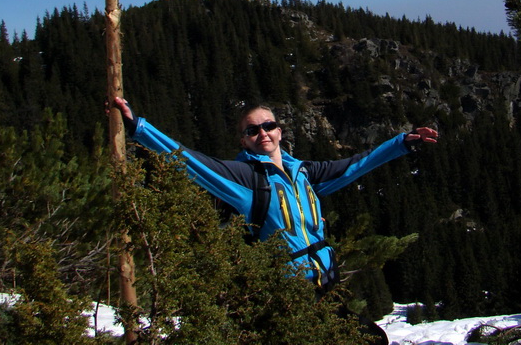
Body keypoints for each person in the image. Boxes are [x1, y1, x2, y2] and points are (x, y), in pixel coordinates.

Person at [111, 96, 437, 344]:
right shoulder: (246, 178)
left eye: (268, 126)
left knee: (373, 338)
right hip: (289, 298)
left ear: (280, 131)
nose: (262, 133)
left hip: (328, 291)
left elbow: (356, 165)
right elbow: (191, 160)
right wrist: (139, 128)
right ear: (244, 141)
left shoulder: (305, 174)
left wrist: (401, 144)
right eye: (252, 130)